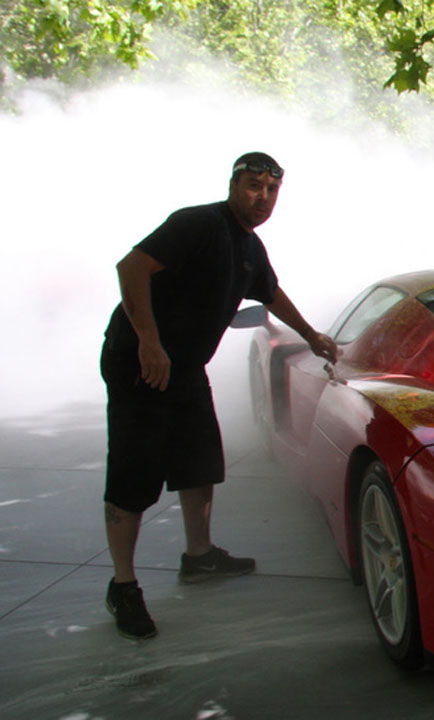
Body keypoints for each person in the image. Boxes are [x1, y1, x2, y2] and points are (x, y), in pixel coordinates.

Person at [101, 152, 338, 640]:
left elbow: (269, 293)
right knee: (134, 471)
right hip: (137, 363)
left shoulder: (249, 246)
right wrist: (149, 340)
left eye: (271, 190)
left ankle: (200, 555)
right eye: (254, 186)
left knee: (199, 460)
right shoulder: (197, 224)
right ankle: (123, 586)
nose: (262, 198)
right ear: (234, 184)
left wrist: (312, 334)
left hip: (184, 367)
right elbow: (131, 268)